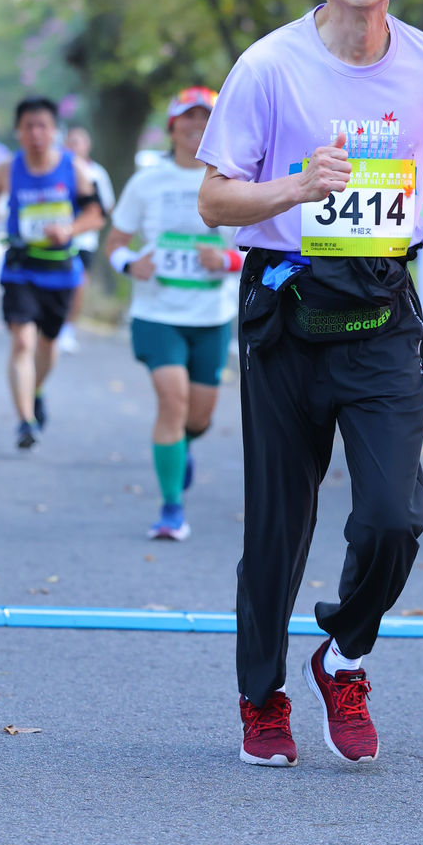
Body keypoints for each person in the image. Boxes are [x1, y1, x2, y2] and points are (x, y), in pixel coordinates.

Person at [196, 0, 423, 767]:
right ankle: (260, 697)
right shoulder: (268, 66)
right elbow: (214, 200)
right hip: (286, 304)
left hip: (382, 305)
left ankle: (343, 654)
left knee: (392, 516)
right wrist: (296, 187)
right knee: (278, 524)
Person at [105, 86, 241, 540]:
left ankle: (180, 448)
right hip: (157, 313)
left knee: (197, 419)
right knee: (172, 401)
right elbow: (115, 243)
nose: (197, 125)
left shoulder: (235, 180)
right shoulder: (147, 181)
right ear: (172, 126)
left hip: (211, 316)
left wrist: (225, 261)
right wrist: (130, 264)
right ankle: (171, 509)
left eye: (206, 117)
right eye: (189, 117)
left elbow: (253, 251)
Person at [0, 98, 104, 450]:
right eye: (28, 126)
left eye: (43, 126)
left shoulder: (73, 168)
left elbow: (96, 215)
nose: (36, 133)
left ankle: (35, 390)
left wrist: (69, 230)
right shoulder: (6, 170)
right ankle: (25, 422)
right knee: (22, 341)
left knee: (48, 343)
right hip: (20, 269)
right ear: (18, 131)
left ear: (53, 131)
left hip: (60, 270)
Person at [59, 125, 116, 354]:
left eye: (78, 142)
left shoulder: (97, 173)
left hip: (84, 241)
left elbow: (107, 207)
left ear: (87, 146)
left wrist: (88, 214)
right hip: (57, 239)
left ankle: (67, 329)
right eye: (70, 142)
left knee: (79, 285)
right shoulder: (57, 169)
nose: (73, 146)